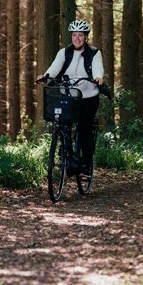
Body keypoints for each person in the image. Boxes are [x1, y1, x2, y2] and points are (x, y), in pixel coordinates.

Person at [37, 20, 104, 176]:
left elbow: (97, 69)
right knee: (64, 125)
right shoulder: (64, 52)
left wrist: (98, 78)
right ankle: (65, 156)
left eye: (80, 35)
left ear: (86, 37)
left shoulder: (94, 53)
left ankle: (86, 163)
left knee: (84, 128)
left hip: (88, 96)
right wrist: (46, 77)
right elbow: (54, 68)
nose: (77, 38)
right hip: (68, 95)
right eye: (74, 35)